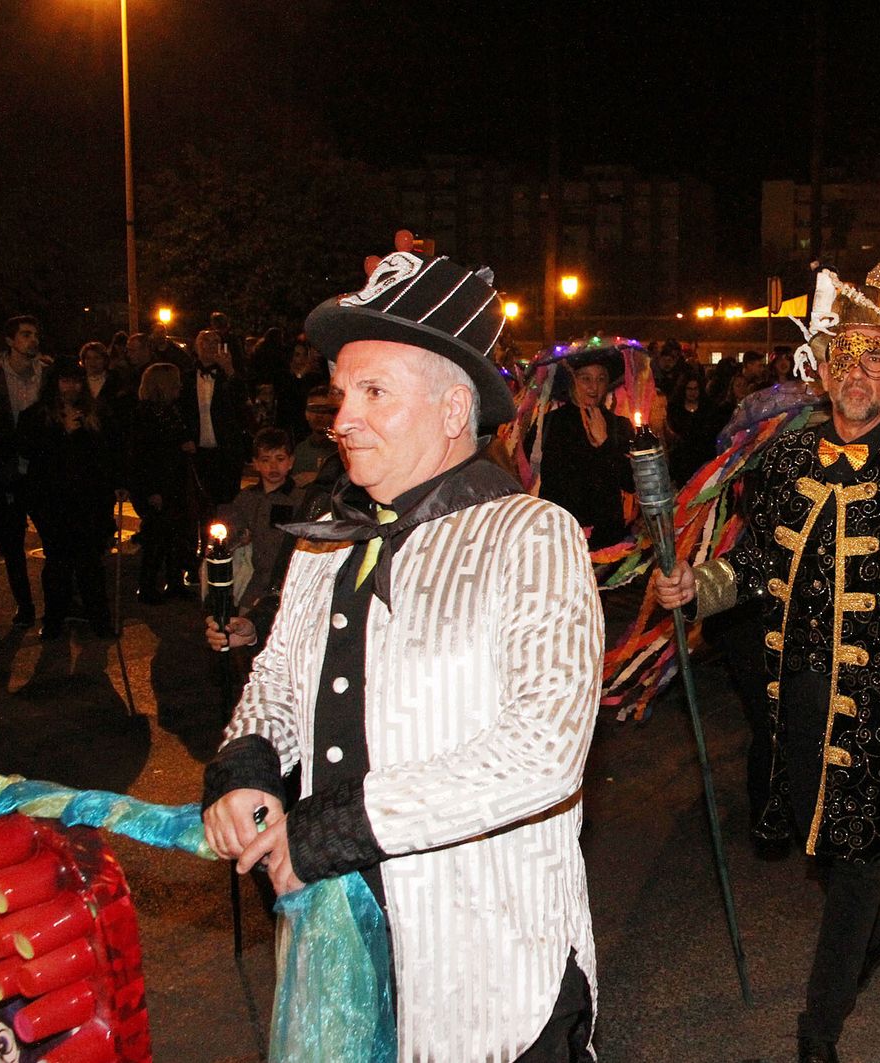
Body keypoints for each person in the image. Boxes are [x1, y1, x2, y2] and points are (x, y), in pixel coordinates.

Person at [200, 249, 601, 1061]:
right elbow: (277, 681)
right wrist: (245, 767)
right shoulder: (325, 541)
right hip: (338, 958)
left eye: (374, 392)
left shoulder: (531, 535)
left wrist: (334, 829)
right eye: (341, 393)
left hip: (492, 974)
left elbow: (543, 752)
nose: (342, 417)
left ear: (454, 410)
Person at [651, 280, 880, 1063]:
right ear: (823, 372)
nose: (857, 373)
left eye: (874, 360)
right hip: (796, 688)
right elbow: (755, 564)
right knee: (819, 832)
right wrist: (697, 586)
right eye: (844, 358)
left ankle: (818, 1028)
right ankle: (876, 932)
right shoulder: (784, 460)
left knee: (860, 848)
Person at [19, 360, 117, 639]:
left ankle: (99, 620)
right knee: (57, 564)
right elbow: (30, 452)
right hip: (53, 502)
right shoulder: (36, 416)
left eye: (76, 381)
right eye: (65, 381)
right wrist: (62, 433)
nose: (72, 387)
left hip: (88, 502)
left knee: (90, 563)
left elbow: (107, 454)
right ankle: (54, 620)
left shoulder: (95, 414)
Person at [530, 346, 634, 551]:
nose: (594, 387)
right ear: (572, 380)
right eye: (586, 379)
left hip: (607, 537)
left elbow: (631, 482)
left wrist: (605, 443)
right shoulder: (550, 423)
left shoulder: (619, 425)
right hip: (562, 535)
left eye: (601, 379)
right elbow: (550, 481)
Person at [0, 315, 47, 626]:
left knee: (56, 539)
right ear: (10, 341)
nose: (32, 340)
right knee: (11, 542)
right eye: (25, 334)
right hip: (4, 468)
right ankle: (25, 606)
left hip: (42, 467)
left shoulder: (45, 374)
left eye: (35, 334)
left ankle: (61, 604)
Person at [128, 363, 197, 603]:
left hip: (174, 481)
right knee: (156, 537)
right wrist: (151, 490)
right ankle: (147, 586)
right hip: (158, 483)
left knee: (174, 535)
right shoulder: (145, 415)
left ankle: (174, 581)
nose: (180, 386)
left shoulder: (171, 410)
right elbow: (144, 455)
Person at [217, 427, 298, 614]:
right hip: (253, 583)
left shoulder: (300, 499)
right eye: (265, 460)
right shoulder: (246, 498)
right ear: (256, 464)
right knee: (245, 624)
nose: (273, 467)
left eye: (280, 459)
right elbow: (230, 533)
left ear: (291, 462)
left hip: (287, 583)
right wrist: (239, 537)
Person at [181, 327, 250, 512]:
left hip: (226, 451)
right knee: (201, 503)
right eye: (205, 341)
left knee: (227, 504)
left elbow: (241, 402)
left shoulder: (229, 376)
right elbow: (182, 411)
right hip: (198, 452)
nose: (210, 346)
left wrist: (229, 369)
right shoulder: (187, 377)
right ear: (196, 347)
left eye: (215, 342)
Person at [289, 384, 338, 486]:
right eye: (314, 409)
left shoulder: (343, 450)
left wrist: (319, 477)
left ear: (334, 415)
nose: (319, 415)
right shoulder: (300, 451)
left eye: (324, 410)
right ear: (306, 414)